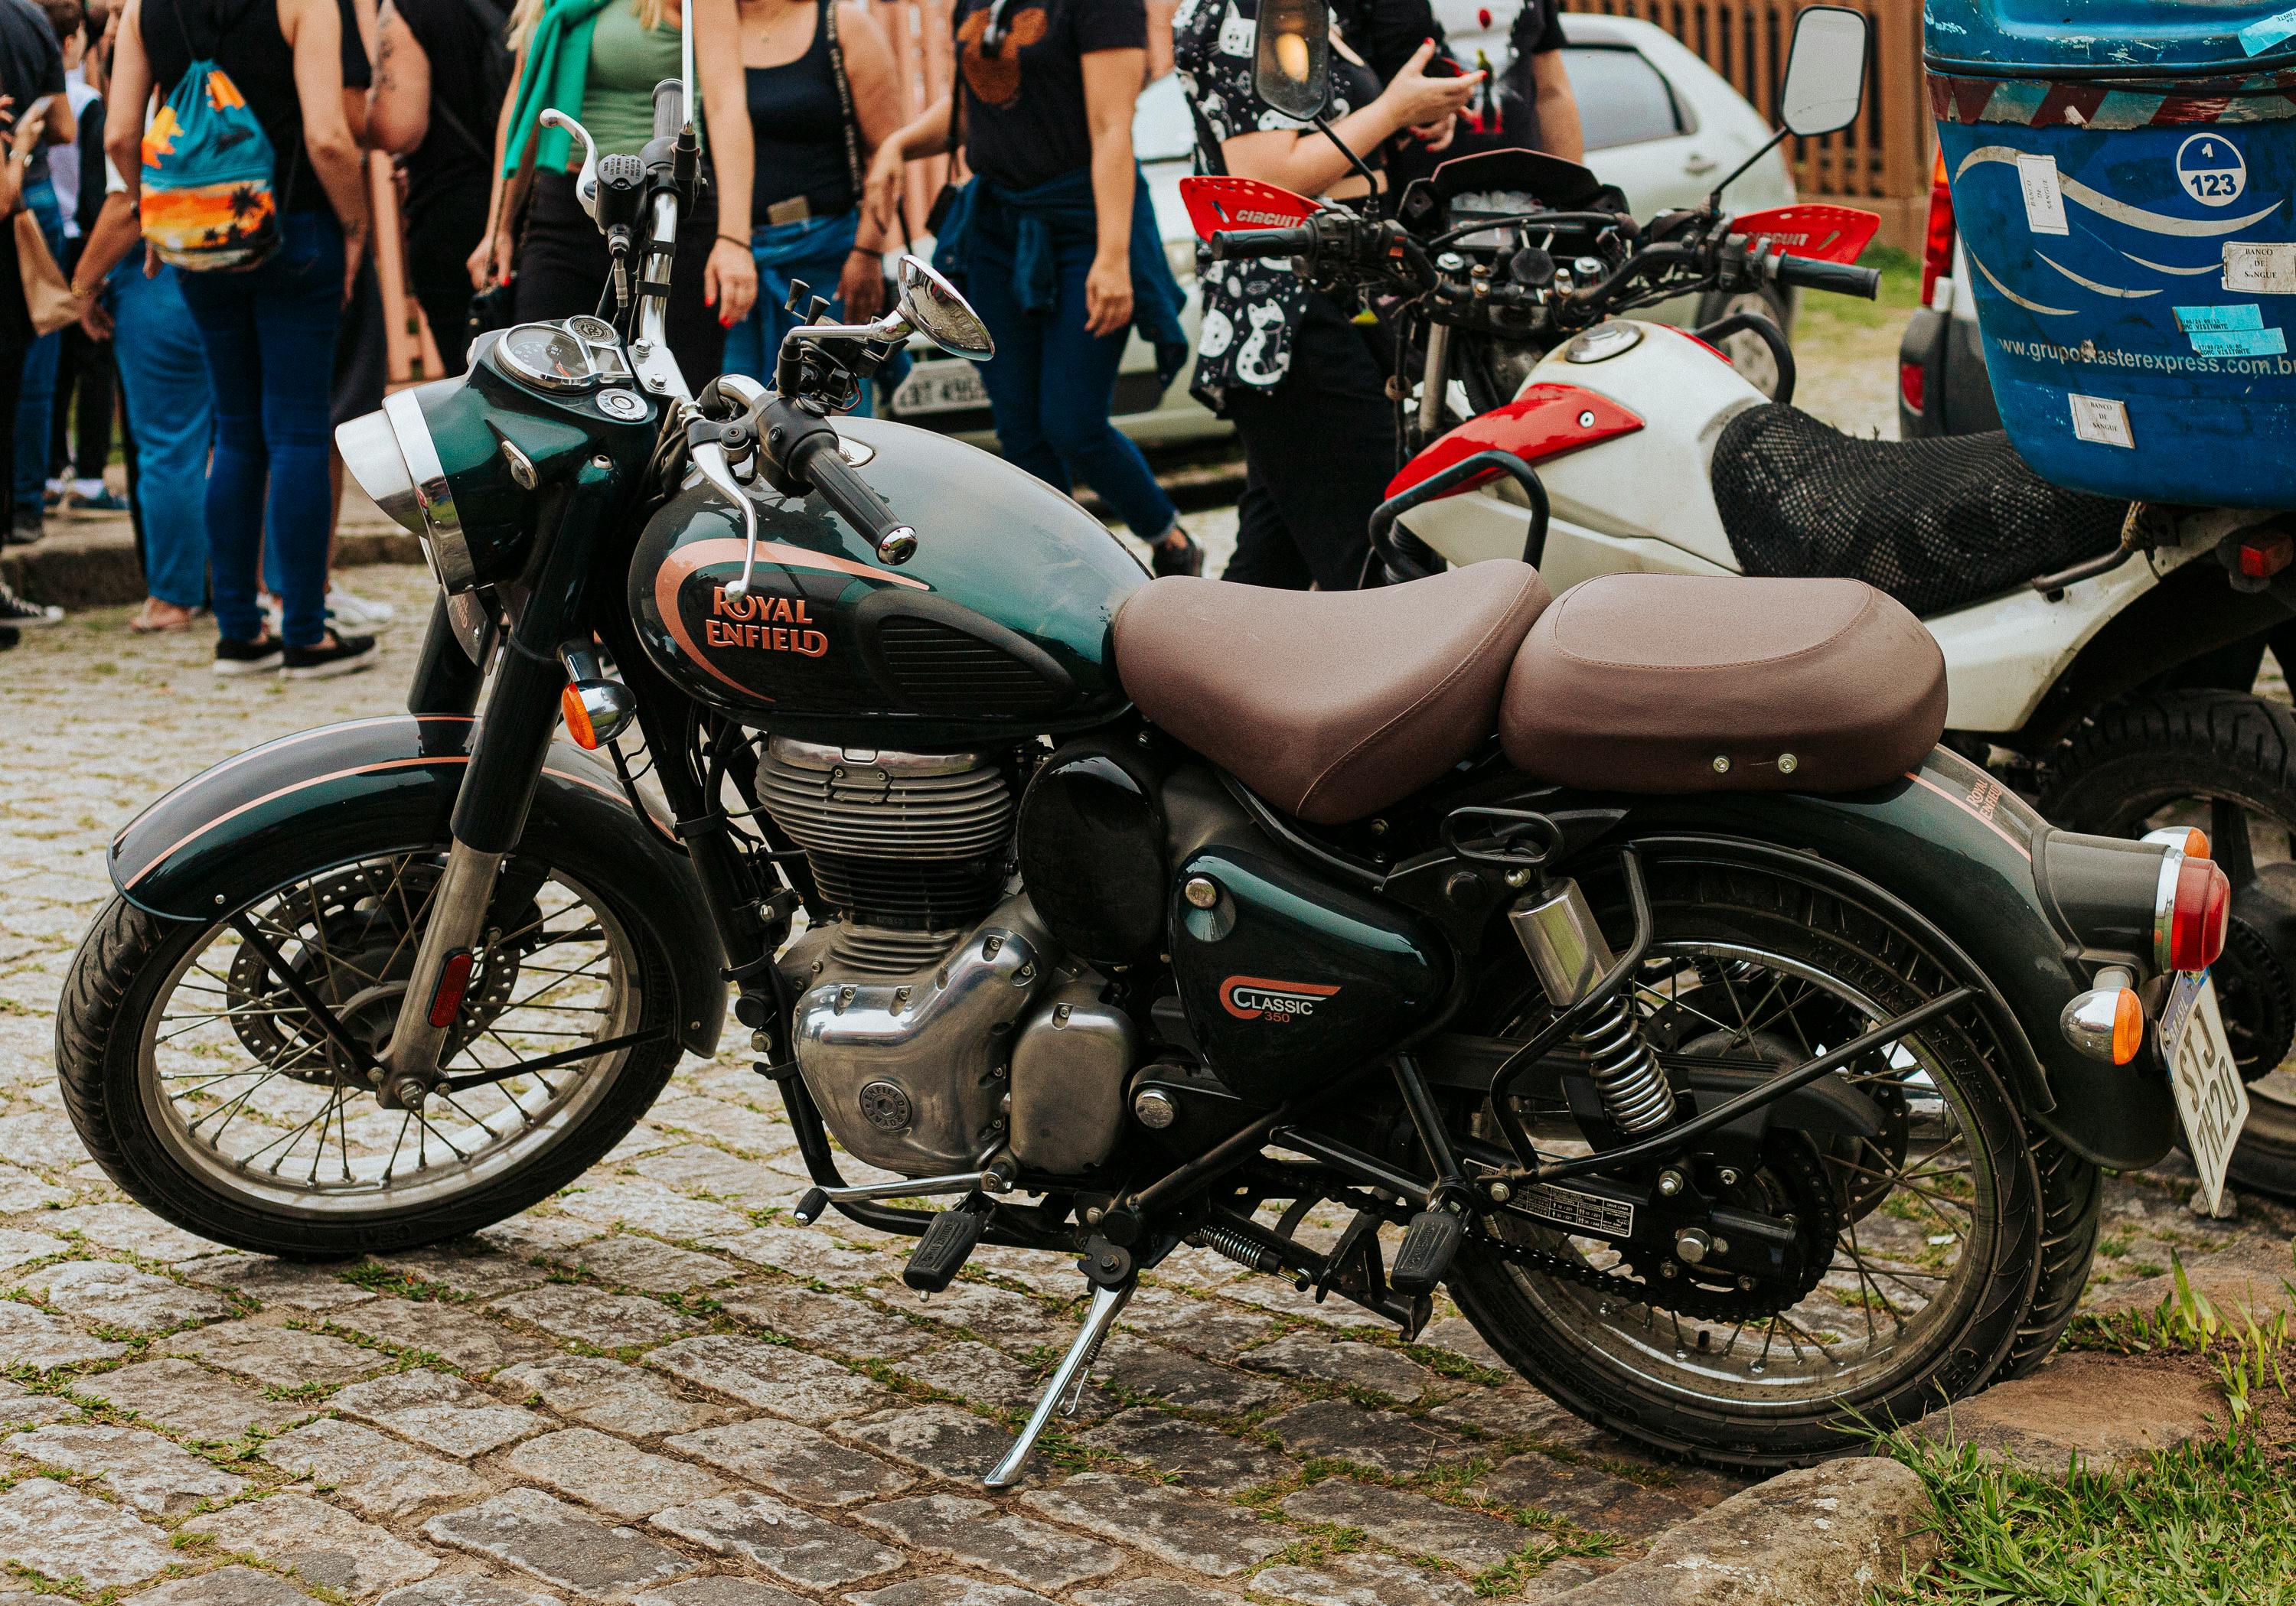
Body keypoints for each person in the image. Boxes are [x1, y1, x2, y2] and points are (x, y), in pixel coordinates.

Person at [864, 0, 1200, 573]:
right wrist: (898, 145)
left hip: (1086, 225)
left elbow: (1111, 127)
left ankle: (1170, 542)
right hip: (997, 230)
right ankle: (1060, 570)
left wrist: (1114, 256)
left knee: (1072, 423)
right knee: (1018, 426)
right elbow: (976, 107)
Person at [107, 0, 380, 676]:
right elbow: (327, 137)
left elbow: (119, 136)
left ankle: (237, 630)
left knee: (233, 431)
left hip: (198, 239)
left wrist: (152, 214)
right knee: (297, 432)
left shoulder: (146, 11)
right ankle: (306, 634)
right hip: (294, 231)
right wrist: (354, 226)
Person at [1174, 0, 1476, 588]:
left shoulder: (1301, 8)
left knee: (1271, 569)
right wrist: (1393, 109)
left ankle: (1176, 676)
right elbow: (1264, 178)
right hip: (1294, 315)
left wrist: (1418, 110)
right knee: (1378, 561)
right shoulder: (1254, 8)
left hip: (1329, 300)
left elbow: (1323, 134)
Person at [471, 0, 758, 386]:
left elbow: (727, 104)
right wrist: (498, 228)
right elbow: (522, 106)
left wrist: (734, 240)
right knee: (539, 389)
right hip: (566, 206)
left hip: (663, 209)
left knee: (670, 397)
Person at [71, 3, 210, 633]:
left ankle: (173, 597)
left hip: (158, 276)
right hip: (221, 260)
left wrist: (82, 284)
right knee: (230, 436)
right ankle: (249, 586)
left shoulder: (152, 103)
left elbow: (127, 203)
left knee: (166, 444)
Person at [717, 0, 898, 407]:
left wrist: (867, 251)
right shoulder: (712, 31)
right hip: (738, 267)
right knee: (732, 417)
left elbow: (886, 156)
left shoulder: (842, 24)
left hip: (828, 259)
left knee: (829, 419)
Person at [367, 0, 507, 374]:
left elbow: (398, 128)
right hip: (535, 213)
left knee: (473, 386)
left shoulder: (412, 9)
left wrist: (357, 104)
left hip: (451, 217)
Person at [0, 18, 68, 623]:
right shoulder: (29, 20)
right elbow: (5, 191)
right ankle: (26, 505)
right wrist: (23, 141)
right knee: (28, 376)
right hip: (26, 208)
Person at [47, 0, 126, 515]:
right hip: (86, 239)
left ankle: (51, 468)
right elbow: (100, 187)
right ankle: (93, 476)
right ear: (73, 44)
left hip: (40, 238)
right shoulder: (88, 102)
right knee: (95, 360)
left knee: (52, 366)